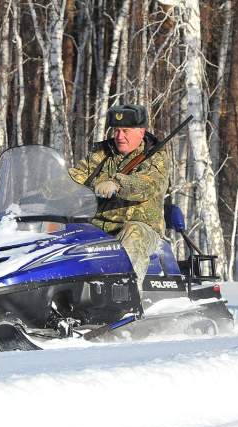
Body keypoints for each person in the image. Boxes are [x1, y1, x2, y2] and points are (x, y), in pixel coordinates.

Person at [68, 104, 169, 293]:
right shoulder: (101, 153)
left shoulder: (155, 157)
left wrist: (117, 184)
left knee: (134, 233)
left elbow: (148, 185)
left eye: (126, 131)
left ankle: (124, 300)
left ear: (141, 131)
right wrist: (41, 191)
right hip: (97, 227)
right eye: (116, 130)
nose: (119, 136)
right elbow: (75, 177)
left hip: (139, 226)